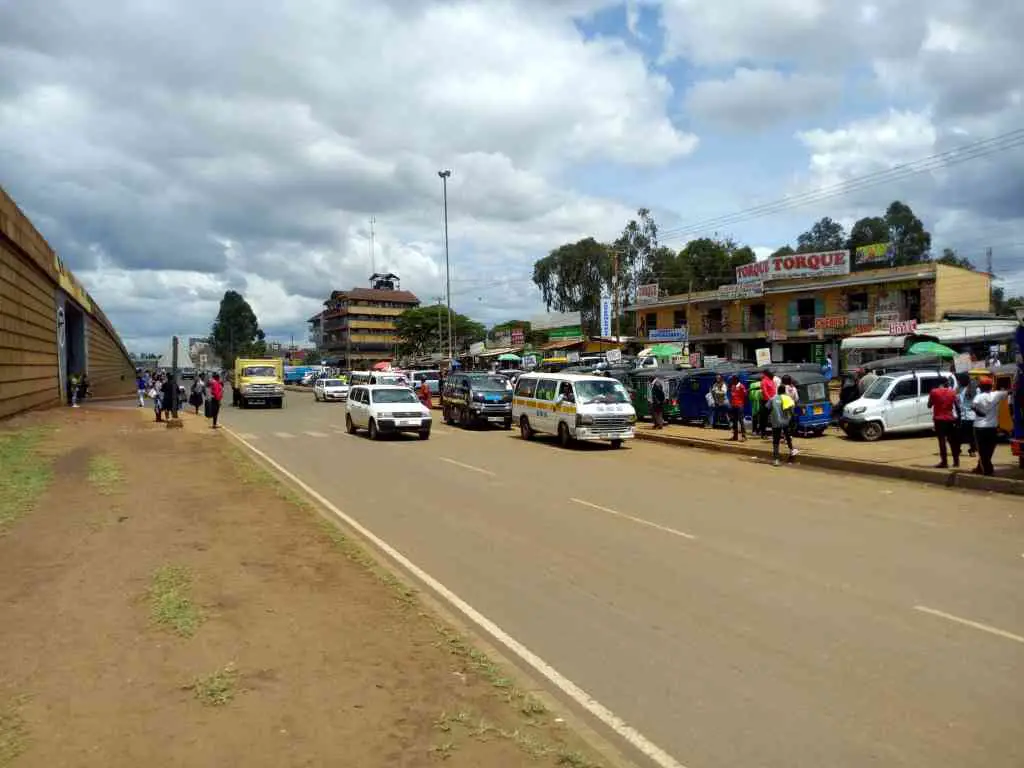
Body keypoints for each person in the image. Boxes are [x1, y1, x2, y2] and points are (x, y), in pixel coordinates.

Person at [971, 377, 1008, 476]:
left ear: (981, 387)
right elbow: (1009, 392)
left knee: (982, 450)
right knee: (989, 449)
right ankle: (983, 468)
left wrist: (979, 413)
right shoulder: (997, 394)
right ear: (991, 386)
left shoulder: (979, 396)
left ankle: (987, 470)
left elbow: (973, 406)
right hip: (992, 427)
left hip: (979, 427)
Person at [927, 376, 960, 469]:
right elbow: (957, 407)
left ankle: (944, 462)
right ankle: (956, 461)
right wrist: (959, 420)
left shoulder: (934, 392)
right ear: (946, 383)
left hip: (939, 419)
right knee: (952, 441)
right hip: (950, 419)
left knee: (942, 441)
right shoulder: (952, 392)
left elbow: (929, 405)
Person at [769, 391, 798, 467]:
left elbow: (767, 408)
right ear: (784, 391)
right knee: (787, 436)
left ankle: (776, 460)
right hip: (785, 421)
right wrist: (792, 419)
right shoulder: (787, 398)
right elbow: (791, 410)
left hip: (776, 422)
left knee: (776, 441)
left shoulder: (772, 399)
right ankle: (791, 450)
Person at [956, 373, 978, 458]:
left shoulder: (970, 389)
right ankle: (969, 450)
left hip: (966, 416)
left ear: (962, 381)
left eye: (959, 380)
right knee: (969, 435)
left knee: (961, 435)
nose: (958, 381)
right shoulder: (961, 389)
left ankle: (969, 450)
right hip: (968, 416)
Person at [728, 375, 747, 441]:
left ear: (736, 380)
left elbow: (745, 394)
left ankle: (744, 436)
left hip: (739, 406)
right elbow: (732, 395)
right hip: (734, 406)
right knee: (734, 421)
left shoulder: (741, 386)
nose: (732, 381)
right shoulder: (733, 386)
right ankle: (735, 436)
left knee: (741, 421)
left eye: (732, 380)